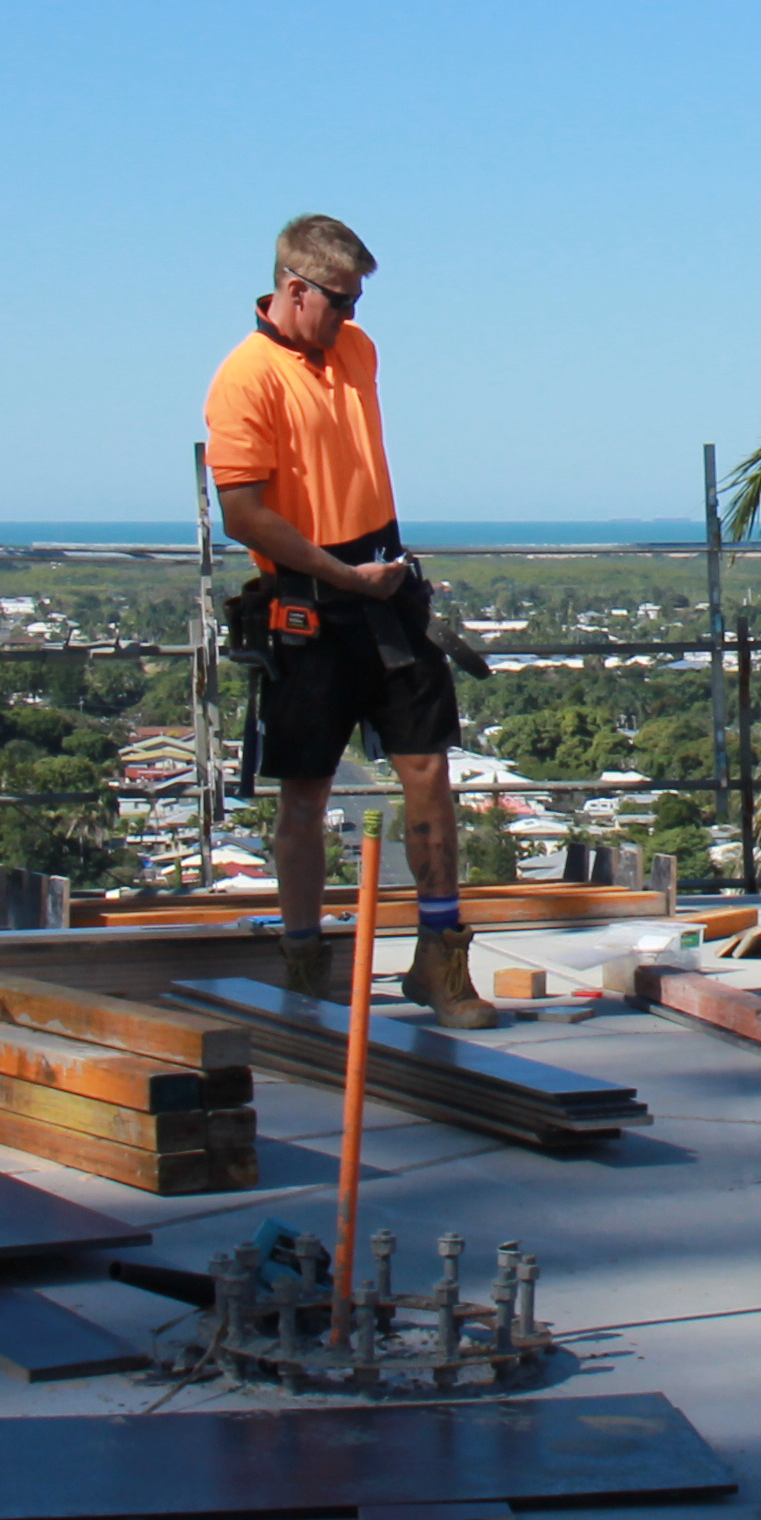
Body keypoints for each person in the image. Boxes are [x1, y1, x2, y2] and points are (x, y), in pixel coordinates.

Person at [205, 213, 487, 1026]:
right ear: (295, 290)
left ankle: (439, 959)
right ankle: (304, 969)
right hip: (309, 599)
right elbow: (246, 515)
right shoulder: (245, 378)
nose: (353, 318)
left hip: (383, 592)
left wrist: (378, 580)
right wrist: (339, 575)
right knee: (304, 793)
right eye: (340, 301)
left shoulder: (356, 353)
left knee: (428, 770)